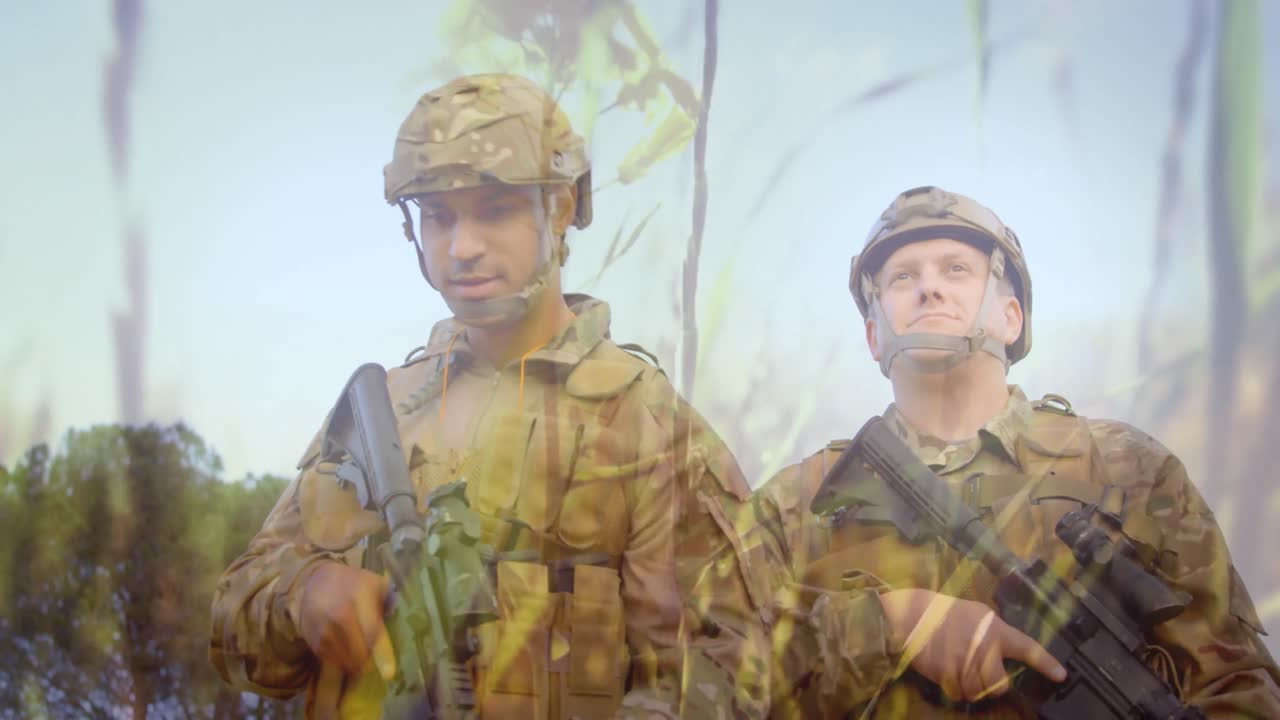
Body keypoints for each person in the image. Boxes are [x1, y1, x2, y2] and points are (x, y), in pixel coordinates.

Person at [209, 73, 768, 719]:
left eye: (495, 209)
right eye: (439, 216)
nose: (463, 246)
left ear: (559, 208)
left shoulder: (649, 429)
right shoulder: (381, 412)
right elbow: (232, 627)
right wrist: (302, 596)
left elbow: (732, 671)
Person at [754, 185, 1280, 718]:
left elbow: (1237, 682)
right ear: (873, 335)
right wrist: (890, 624)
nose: (928, 289)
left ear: (1012, 318)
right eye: (903, 277)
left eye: (956, 269)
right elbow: (703, 671)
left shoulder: (1129, 470)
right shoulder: (797, 504)